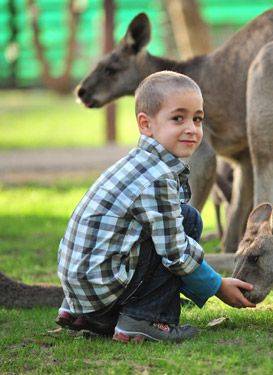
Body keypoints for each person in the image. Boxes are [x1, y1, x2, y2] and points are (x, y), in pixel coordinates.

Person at [56, 71, 255, 343]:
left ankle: (93, 315)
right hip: (100, 288)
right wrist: (217, 286)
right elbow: (175, 252)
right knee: (188, 224)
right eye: (178, 118)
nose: (191, 128)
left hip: (83, 290)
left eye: (197, 119)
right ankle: (146, 318)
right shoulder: (158, 177)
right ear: (146, 125)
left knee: (183, 217)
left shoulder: (139, 162)